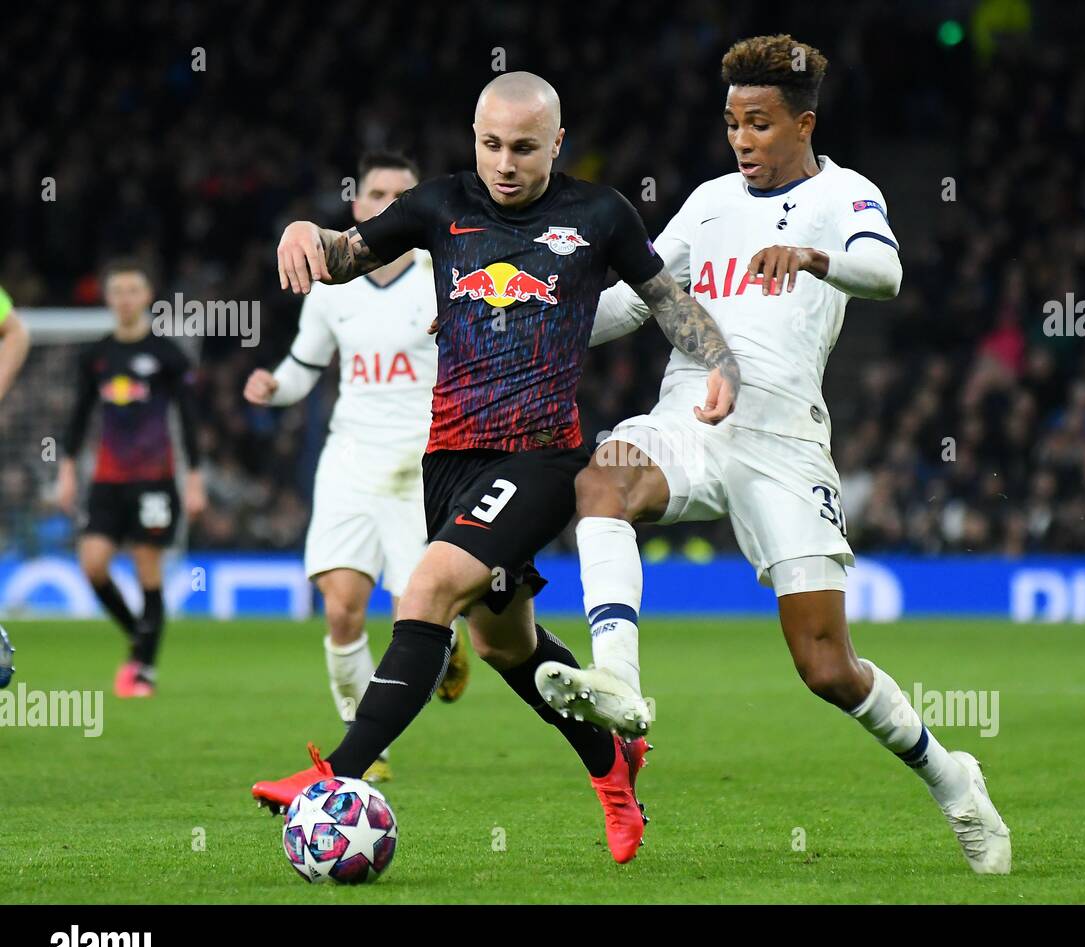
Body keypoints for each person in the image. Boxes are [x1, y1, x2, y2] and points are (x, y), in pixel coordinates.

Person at [538, 35, 1011, 874]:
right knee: (601, 482)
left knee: (826, 665)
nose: (742, 140)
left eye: (759, 124)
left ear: (804, 123)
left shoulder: (846, 194)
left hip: (785, 440)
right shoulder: (711, 201)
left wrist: (810, 255)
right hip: (690, 413)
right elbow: (637, 302)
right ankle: (616, 677)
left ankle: (953, 777)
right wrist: (537, 314)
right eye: (731, 124)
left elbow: (885, 273)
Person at [250, 71, 739, 864]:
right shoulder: (440, 205)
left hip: (542, 454)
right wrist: (308, 230)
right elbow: (345, 256)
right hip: (448, 460)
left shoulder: (598, 214)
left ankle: (333, 776)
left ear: (557, 144)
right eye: (490, 145)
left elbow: (669, 300)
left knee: (429, 587)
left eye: (522, 147)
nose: (504, 163)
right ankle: (614, 770)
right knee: (508, 645)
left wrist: (722, 364)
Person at [244, 151, 471, 785]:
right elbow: (304, 367)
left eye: (402, 196)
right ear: (356, 205)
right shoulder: (330, 288)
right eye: (377, 193)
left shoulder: (442, 274)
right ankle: (363, 745)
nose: (388, 205)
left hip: (422, 461)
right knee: (342, 608)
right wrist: (273, 386)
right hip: (350, 457)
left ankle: (447, 647)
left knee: (416, 617)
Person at [58, 260, 206, 697]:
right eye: (117, 291)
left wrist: (194, 479)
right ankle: (140, 637)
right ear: (108, 299)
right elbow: (79, 415)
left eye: (132, 290)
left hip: (154, 479)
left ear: (146, 297)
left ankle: (143, 668)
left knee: (148, 570)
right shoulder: (96, 356)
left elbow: (189, 420)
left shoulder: (167, 355)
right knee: (93, 564)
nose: (124, 298)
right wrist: (67, 470)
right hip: (107, 480)